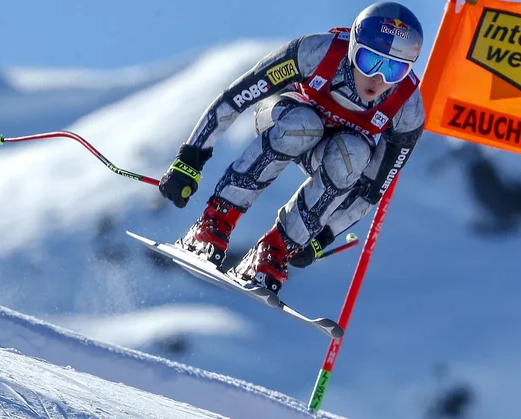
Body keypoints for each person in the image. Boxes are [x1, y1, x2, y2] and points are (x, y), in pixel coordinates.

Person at [158, 1, 426, 295]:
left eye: (394, 69)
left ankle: (272, 252)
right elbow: (236, 98)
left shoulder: (407, 110)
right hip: (283, 118)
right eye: (369, 61)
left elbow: (372, 190)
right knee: (304, 123)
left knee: (356, 154)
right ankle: (214, 223)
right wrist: (189, 159)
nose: (379, 78)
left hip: (332, 152)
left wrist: (321, 237)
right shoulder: (318, 52)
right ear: (352, 48)